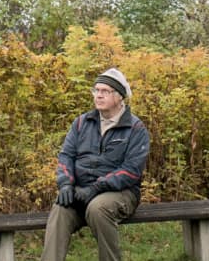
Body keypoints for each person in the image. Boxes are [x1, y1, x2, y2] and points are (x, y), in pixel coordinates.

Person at [46, 66, 150, 261]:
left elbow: (132, 171)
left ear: (119, 97)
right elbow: (66, 156)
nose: (98, 95)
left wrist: (96, 188)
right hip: (81, 190)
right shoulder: (81, 123)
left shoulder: (135, 128)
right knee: (60, 208)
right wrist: (66, 184)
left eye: (105, 91)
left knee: (97, 208)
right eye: (96, 90)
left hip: (120, 193)